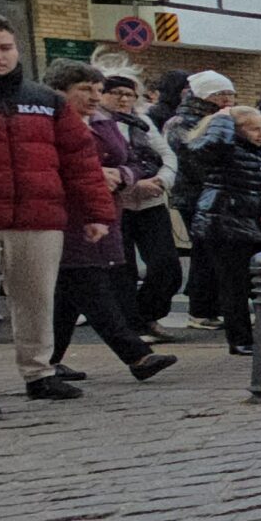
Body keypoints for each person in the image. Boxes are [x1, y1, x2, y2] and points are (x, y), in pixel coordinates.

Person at [0, 21, 116, 422]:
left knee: (37, 299)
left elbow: (80, 159)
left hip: (38, 216)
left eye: (4, 47)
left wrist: (97, 212)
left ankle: (39, 373)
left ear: (17, 49)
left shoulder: (45, 100)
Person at [41, 60, 177, 383]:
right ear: (60, 92)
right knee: (89, 285)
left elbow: (134, 160)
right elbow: (41, 165)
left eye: (98, 90)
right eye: (85, 89)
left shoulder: (105, 123)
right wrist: (93, 173)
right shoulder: (46, 123)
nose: (94, 97)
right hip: (67, 215)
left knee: (69, 293)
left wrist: (123, 175)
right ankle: (137, 355)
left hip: (105, 212)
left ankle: (47, 360)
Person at [188, 106, 261, 357]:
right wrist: (222, 119)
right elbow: (210, 147)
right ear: (235, 131)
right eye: (254, 129)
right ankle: (240, 338)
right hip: (225, 223)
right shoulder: (222, 150)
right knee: (234, 284)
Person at [100, 70, 180, 337]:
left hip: (150, 202)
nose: (124, 100)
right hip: (117, 204)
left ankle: (148, 314)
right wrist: (133, 185)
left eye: (130, 94)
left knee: (166, 265)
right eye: (117, 93)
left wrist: (162, 180)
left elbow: (167, 154)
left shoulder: (141, 121)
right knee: (123, 271)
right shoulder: (96, 123)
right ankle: (133, 326)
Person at [167, 70, 237, 331]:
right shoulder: (180, 122)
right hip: (194, 194)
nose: (227, 99)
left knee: (218, 252)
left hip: (220, 193)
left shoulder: (227, 118)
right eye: (220, 94)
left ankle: (214, 305)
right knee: (205, 252)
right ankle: (201, 309)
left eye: (230, 93)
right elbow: (192, 157)